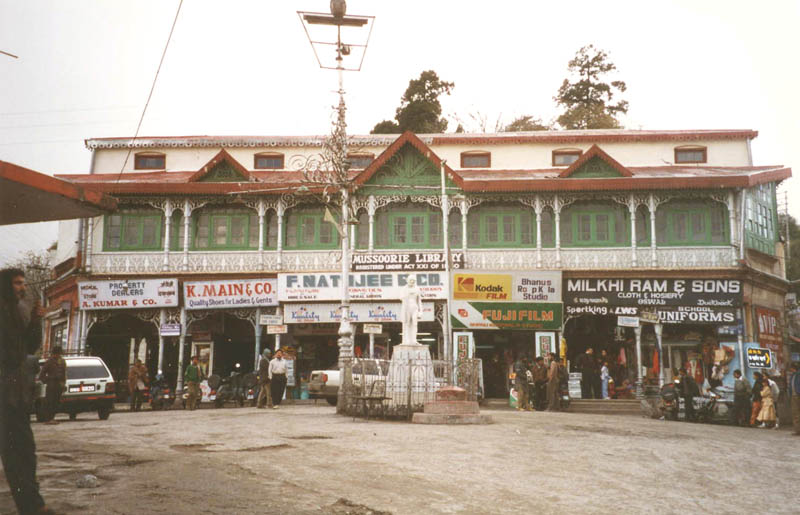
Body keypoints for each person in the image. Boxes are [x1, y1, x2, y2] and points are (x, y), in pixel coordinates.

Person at [0, 268, 53, 514]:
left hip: (15, 392)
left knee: (23, 451)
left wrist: (35, 320)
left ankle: (32, 504)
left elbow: (29, 347)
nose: (22, 288)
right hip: (6, 392)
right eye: (17, 283)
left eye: (23, 283)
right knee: (17, 451)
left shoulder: (18, 310)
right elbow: (13, 352)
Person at [39, 345, 66, 424]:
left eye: (59, 354)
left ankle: (52, 418)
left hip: (59, 385)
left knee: (56, 402)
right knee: (50, 402)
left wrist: (63, 384)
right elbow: (42, 375)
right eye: (57, 354)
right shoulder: (49, 362)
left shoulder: (62, 361)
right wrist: (48, 380)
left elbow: (64, 373)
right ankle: (48, 418)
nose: (58, 355)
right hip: (51, 385)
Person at [789, 362, 800, 436]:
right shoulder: (793, 376)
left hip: (797, 395)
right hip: (794, 396)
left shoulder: (798, 375)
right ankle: (797, 430)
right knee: (795, 413)